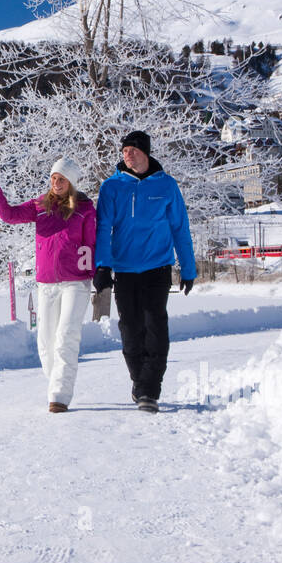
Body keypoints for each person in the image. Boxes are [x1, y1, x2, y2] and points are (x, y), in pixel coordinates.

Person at [0, 158, 96, 413]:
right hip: (47, 283)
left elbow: (92, 244)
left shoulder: (85, 210)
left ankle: (59, 396)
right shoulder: (40, 206)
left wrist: (98, 272)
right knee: (45, 341)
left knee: (66, 336)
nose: (56, 183)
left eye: (61, 178)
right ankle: (56, 383)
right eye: (53, 178)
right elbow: (9, 215)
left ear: (71, 181)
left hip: (76, 282)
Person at [93, 131, 195, 414]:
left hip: (157, 268)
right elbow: (102, 229)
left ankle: (149, 389)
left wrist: (188, 268)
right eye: (125, 149)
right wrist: (103, 265)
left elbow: (180, 229)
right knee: (129, 330)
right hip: (124, 270)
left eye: (133, 149)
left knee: (155, 328)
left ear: (146, 152)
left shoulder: (167, 186)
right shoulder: (112, 187)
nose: (128, 153)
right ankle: (140, 382)